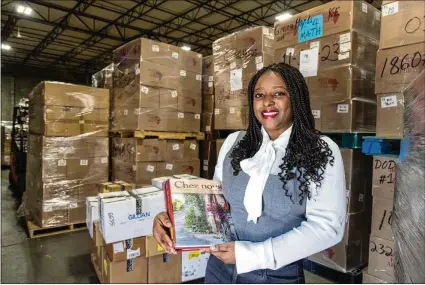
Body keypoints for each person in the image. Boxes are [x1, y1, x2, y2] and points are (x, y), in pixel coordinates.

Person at [153, 62, 346, 284]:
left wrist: (250, 255)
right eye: (259, 95)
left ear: (296, 98)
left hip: (275, 275)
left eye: (279, 93)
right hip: (219, 267)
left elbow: (327, 227)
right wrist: (174, 221)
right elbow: (215, 204)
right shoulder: (235, 142)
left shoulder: (320, 150)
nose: (267, 102)